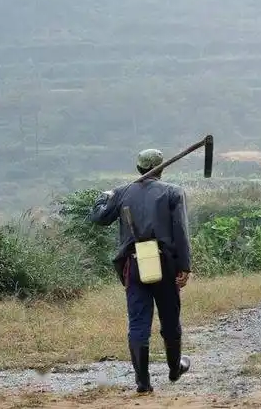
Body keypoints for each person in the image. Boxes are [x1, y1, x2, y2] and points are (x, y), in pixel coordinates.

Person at [88, 148, 192, 394]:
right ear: (161, 168)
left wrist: (105, 196)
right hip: (165, 263)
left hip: (133, 264)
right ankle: (174, 368)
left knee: (138, 321)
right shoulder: (173, 192)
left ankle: (143, 383)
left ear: (138, 168)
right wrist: (184, 265)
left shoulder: (123, 192)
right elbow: (181, 231)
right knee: (170, 317)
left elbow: (99, 217)